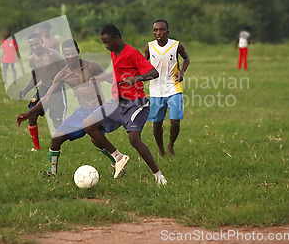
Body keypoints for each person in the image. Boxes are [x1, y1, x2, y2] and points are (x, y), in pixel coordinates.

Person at [16, 39, 118, 175]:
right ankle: (52, 173)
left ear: (78, 51)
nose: (70, 57)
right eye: (66, 54)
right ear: (63, 55)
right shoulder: (63, 74)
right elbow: (47, 97)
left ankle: (118, 161)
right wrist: (29, 113)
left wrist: (128, 89)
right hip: (82, 111)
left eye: (72, 53)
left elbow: (112, 80)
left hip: (98, 110)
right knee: (56, 138)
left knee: (96, 139)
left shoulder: (91, 67)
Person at [83, 24, 167, 185]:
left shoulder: (132, 53)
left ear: (117, 38)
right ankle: (118, 157)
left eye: (108, 42)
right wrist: (102, 77)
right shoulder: (115, 53)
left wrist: (137, 78)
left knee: (134, 139)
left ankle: (159, 176)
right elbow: (119, 74)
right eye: (104, 43)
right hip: (118, 102)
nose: (106, 46)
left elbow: (154, 72)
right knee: (89, 126)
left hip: (137, 103)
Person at [144, 19, 190, 156]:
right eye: (156, 30)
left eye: (162, 30)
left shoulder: (176, 45)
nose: (158, 33)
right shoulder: (149, 47)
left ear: (167, 31)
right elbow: (143, 63)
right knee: (157, 123)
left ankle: (171, 145)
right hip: (156, 90)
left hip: (174, 87)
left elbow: (186, 58)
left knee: (175, 121)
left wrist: (182, 72)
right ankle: (161, 149)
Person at [19, 33, 67, 151]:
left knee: (57, 122)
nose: (34, 46)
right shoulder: (32, 59)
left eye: (36, 43)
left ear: (41, 41)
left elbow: (67, 69)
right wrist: (25, 90)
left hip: (57, 89)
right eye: (32, 45)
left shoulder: (53, 54)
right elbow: (35, 77)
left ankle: (60, 143)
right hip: (44, 88)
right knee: (32, 115)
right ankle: (36, 148)